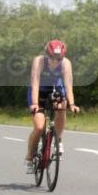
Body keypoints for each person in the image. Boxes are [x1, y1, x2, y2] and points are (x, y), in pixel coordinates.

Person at [25, 40, 80, 173]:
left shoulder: (66, 63)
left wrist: (72, 104)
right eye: (52, 58)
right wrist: (35, 104)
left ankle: (58, 140)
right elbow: (35, 82)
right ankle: (29, 158)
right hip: (38, 91)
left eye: (59, 58)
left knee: (62, 106)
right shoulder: (39, 61)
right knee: (39, 127)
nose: (55, 61)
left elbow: (68, 85)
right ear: (47, 54)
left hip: (55, 89)